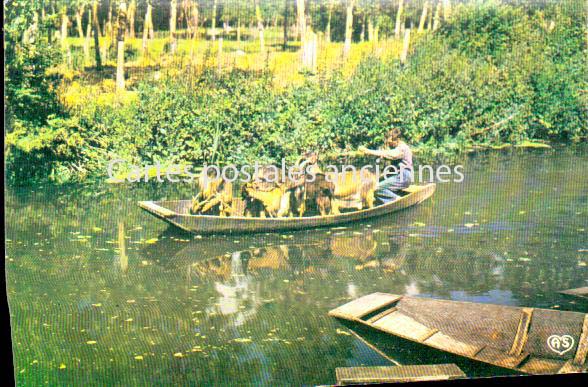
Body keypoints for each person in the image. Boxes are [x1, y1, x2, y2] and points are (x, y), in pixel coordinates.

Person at [358, 128, 413, 204]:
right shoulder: (397, 148)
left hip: (403, 177)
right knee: (375, 184)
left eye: (390, 142)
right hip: (397, 176)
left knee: (376, 188)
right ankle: (387, 199)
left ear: (397, 140)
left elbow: (390, 154)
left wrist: (368, 151)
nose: (389, 144)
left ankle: (397, 200)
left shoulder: (402, 148)